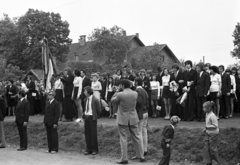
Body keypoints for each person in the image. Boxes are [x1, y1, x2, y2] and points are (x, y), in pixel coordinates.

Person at [111, 79, 145, 164]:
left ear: (122, 85)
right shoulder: (135, 93)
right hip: (133, 117)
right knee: (137, 137)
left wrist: (117, 91)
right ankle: (141, 155)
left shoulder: (120, 94)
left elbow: (112, 101)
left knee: (123, 138)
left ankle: (124, 158)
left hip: (123, 118)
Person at [83, 86, 101, 155]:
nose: (84, 92)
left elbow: (98, 109)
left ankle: (94, 149)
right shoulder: (85, 99)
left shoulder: (95, 99)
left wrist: (97, 115)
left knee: (93, 134)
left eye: (85, 91)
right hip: (86, 117)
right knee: (87, 133)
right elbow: (85, 108)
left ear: (88, 92)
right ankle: (88, 148)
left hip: (92, 117)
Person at [135, 77, 149, 156]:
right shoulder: (145, 91)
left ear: (136, 82)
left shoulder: (137, 91)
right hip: (146, 112)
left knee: (139, 131)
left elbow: (138, 102)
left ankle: (141, 151)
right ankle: (145, 149)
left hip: (140, 112)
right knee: (144, 131)